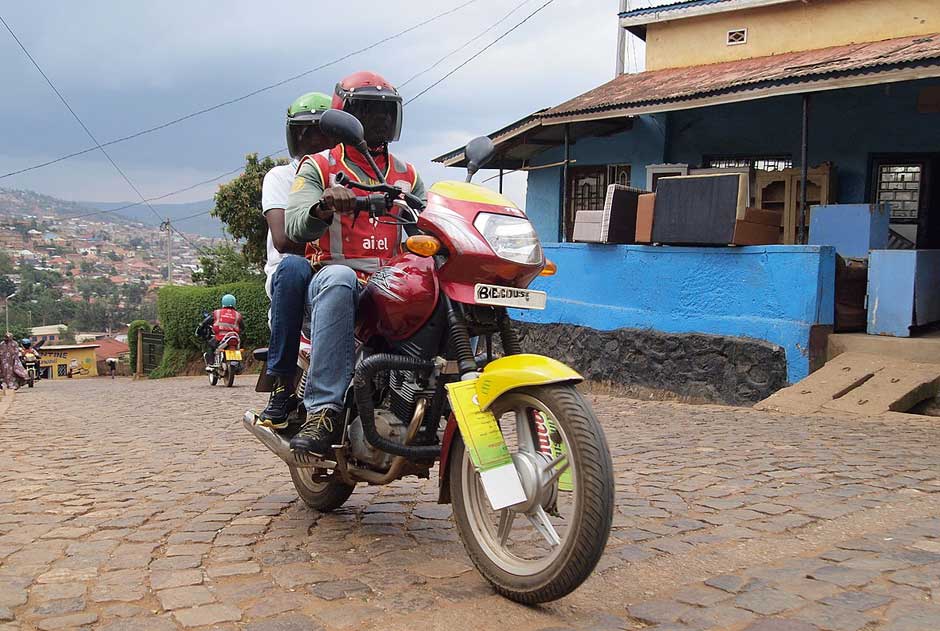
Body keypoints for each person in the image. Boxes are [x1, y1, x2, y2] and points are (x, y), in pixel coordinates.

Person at [271, 70, 426, 455]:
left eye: (387, 113)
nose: (381, 122)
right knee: (339, 276)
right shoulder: (318, 167)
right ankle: (323, 410)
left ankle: (432, 394)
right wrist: (324, 205)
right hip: (334, 283)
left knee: (443, 281)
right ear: (345, 117)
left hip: (389, 282)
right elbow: (292, 225)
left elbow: (431, 217)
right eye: (369, 113)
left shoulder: (409, 175)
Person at [256, 93, 334, 427]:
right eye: (304, 132)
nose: (311, 140)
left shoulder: (345, 175)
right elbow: (284, 240)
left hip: (340, 268)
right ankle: (283, 387)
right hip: (296, 278)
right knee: (292, 266)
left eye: (320, 132)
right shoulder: (279, 178)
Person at [196, 294, 244, 365]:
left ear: (223, 303)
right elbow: (242, 327)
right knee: (238, 347)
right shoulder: (238, 315)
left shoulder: (217, 313)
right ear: (234, 303)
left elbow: (205, 322)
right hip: (234, 338)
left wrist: (201, 327)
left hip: (220, 338)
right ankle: (238, 364)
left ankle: (211, 364)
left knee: (210, 345)